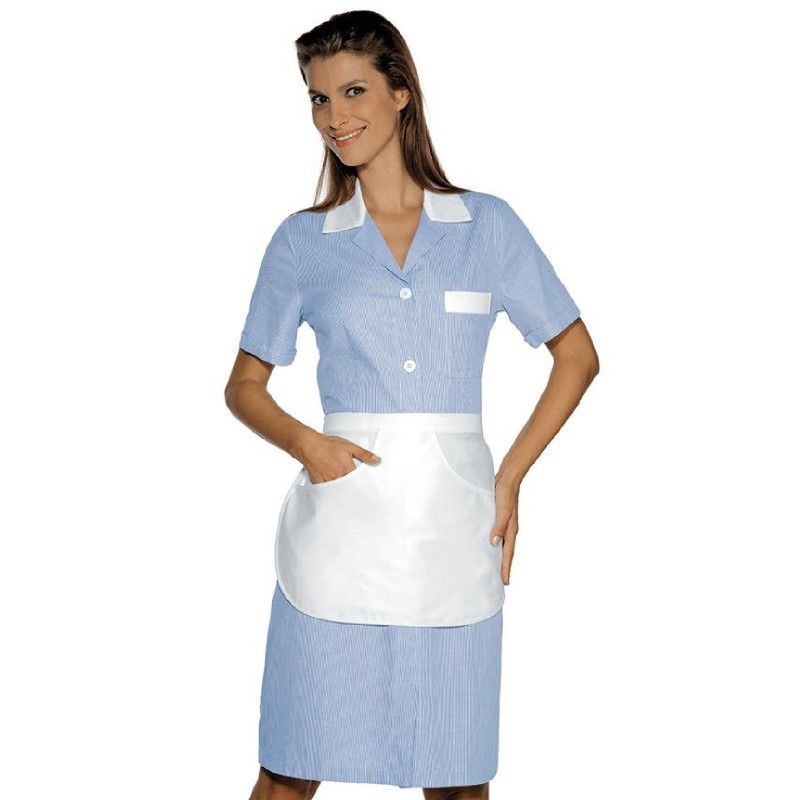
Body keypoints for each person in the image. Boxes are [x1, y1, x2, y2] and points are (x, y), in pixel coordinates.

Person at [225, 10, 599, 800]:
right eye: (319, 98)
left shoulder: (487, 227)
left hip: (452, 534)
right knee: (289, 770)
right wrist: (306, 443)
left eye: (354, 91)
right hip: (337, 540)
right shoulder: (303, 241)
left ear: (401, 93)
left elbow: (577, 356)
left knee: (456, 779)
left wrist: (510, 478)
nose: (335, 116)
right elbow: (244, 387)